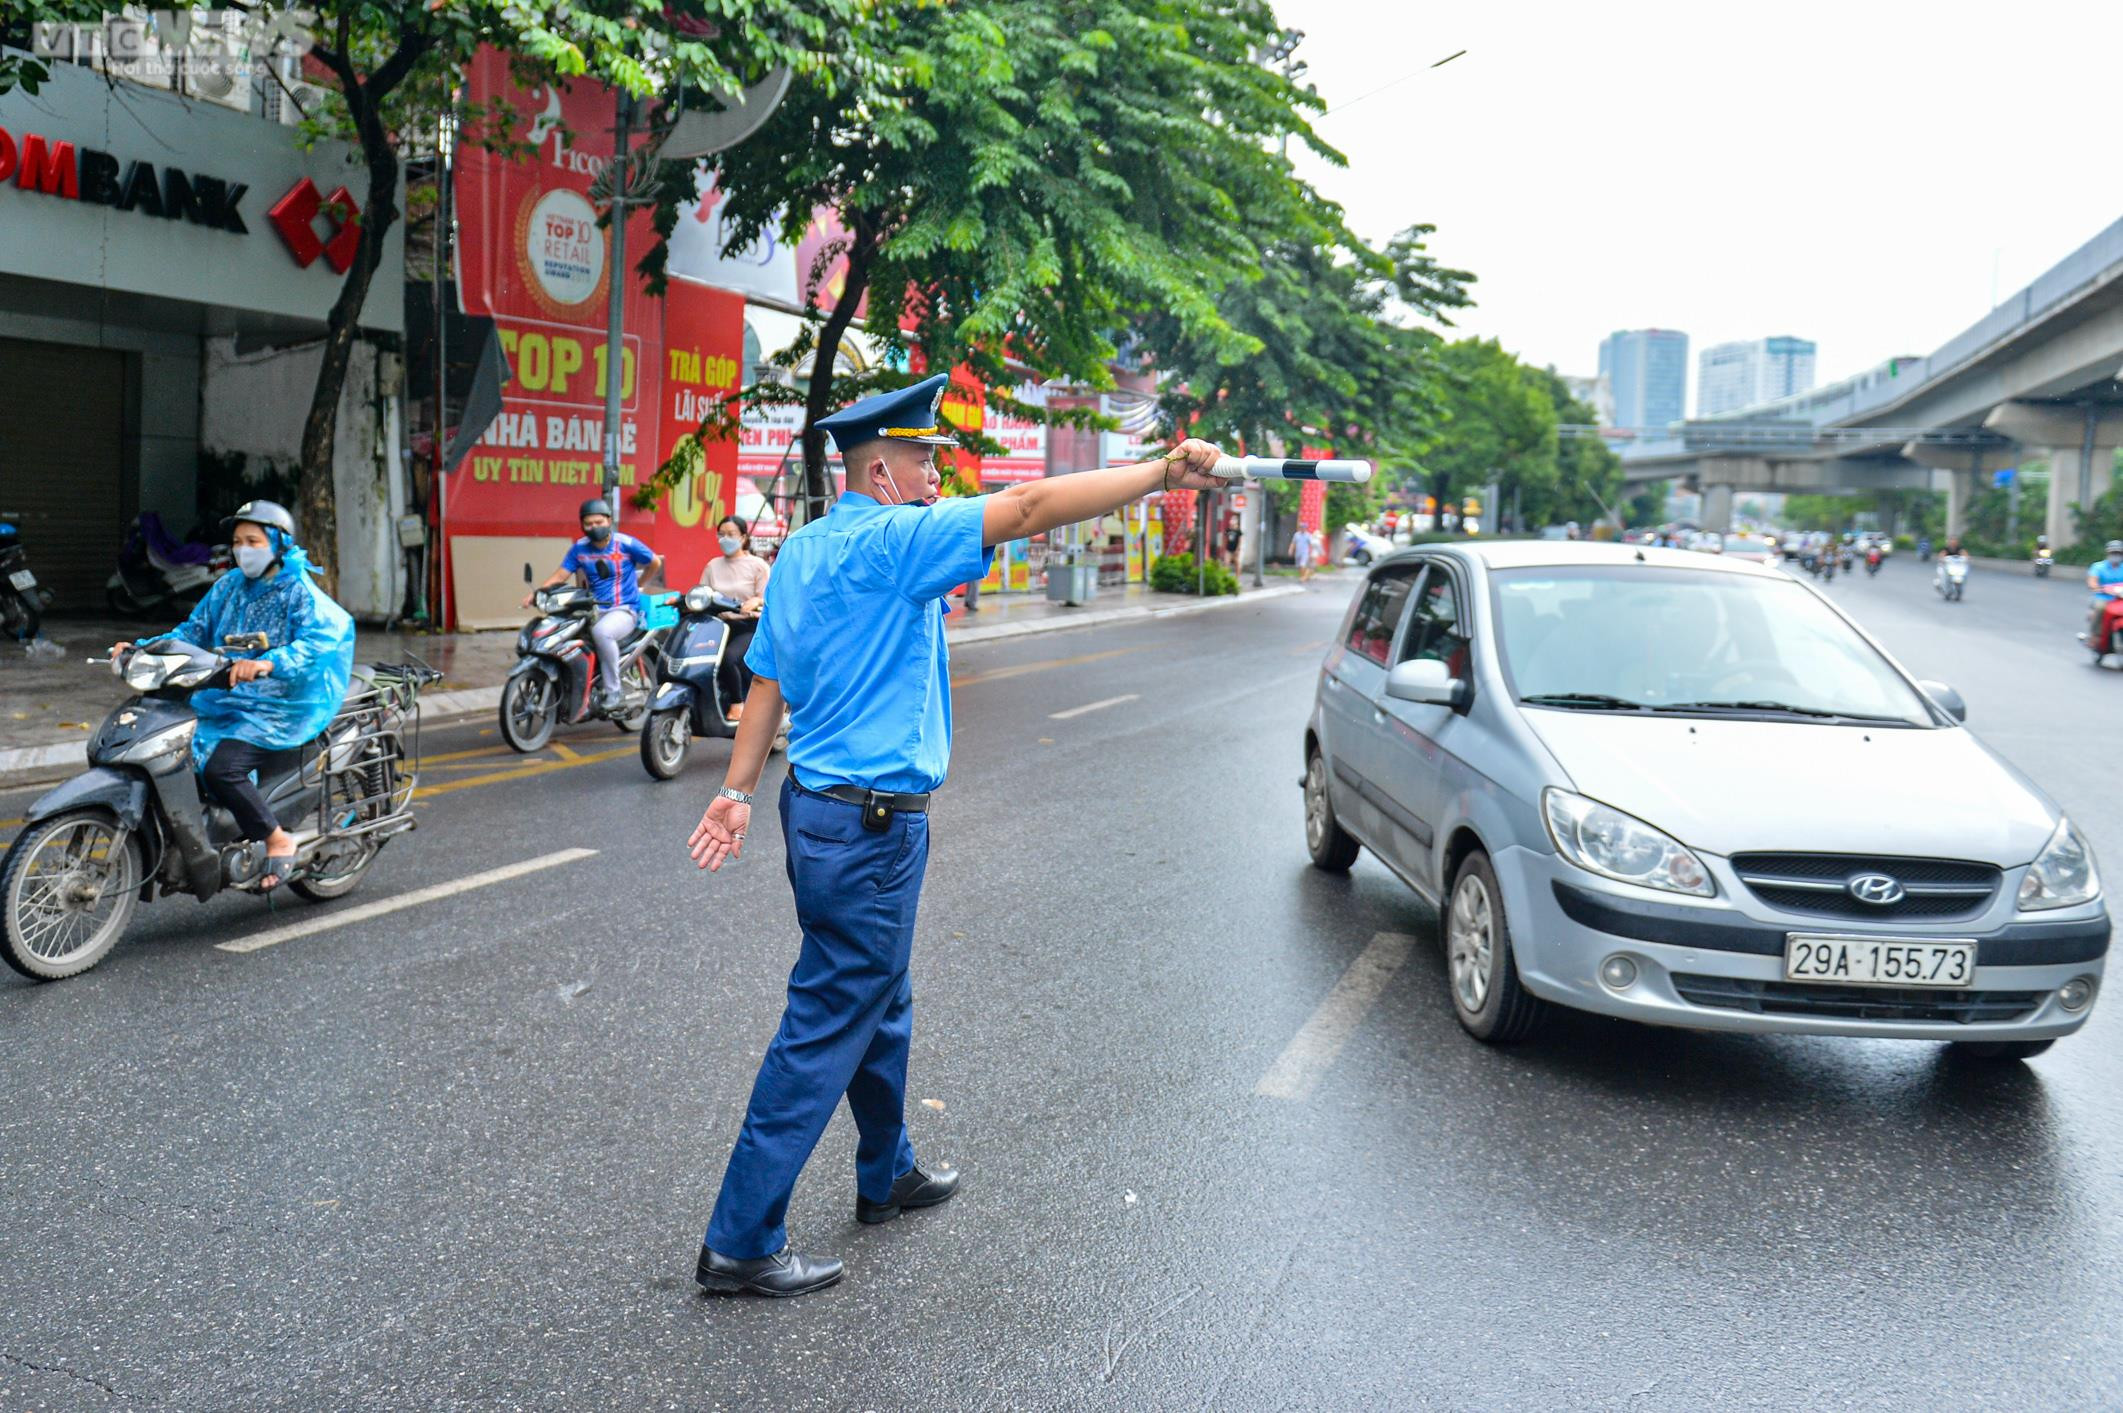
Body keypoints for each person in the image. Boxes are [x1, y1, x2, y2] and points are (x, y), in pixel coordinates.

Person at [682, 372, 1229, 1298]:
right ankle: (739, 1236)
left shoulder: (803, 551)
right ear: (884, 471)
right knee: (827, 1019)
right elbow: (1029, 503)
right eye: (927, 459)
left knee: (878, 998)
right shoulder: (898, 540)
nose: (941, 474)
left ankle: (885, 1169)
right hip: (870, 832)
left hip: (815, 811)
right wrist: (1162, 470)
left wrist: (735, 791)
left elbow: (766, 681)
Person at [112, 501, 354, 891]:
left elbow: (323, 640)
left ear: (278, 543)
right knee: (175, 751)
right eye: (238, 541)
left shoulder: (299, 592)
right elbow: (192, 631)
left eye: (253, 541)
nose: (244, 549)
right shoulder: (227, 587)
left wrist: (270, 663)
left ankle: (276, 838)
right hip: (226, 696)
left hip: (281, 704)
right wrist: (142, 648)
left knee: (222, 769)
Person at [524, 498, 662, 711]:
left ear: (609, 520)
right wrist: (538, 593)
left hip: (623, 609)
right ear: (582, 525)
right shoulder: (579, 548)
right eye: (589, 524)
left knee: (602, 633)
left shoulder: (625, 543)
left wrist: (640, 583)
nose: (594, 527)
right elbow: (562, 574)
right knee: (565, 636)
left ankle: (613, 691)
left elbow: (654, 562)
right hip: (593, 609)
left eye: (599, 522)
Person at [700, 514, 770, 721]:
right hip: (719, 625)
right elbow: (704, 592)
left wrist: (755, 602)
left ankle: (737, 703)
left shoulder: (758, 565)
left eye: (730, 534)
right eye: (721, 534)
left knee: (728, 658)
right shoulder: (712, 565)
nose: (725, 539)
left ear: (743, 537)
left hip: (749, 625)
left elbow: (766, 597)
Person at [2085, 540, 2123, 642]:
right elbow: (2092, 582)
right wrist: (2098, 588)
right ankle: (2095, 636)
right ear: (2108, 553)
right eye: (2113, 553)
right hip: (2104, 597)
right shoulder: (2098, 567)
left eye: (2118, 553)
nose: (2115, 555)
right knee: (2100, 608)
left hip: (2120, 599)